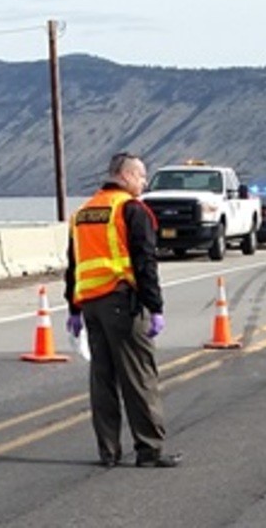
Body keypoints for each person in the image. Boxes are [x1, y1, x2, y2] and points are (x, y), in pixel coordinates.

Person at [64, 152, 181, 469]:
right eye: (142, 177)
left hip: (91, 305)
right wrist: (155, 307)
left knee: (102, 379)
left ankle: (108, 451)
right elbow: (145, 262)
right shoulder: (131, 209)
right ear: (127, 175)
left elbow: (74, 264)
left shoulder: (84, 212)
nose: (144, 183)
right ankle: (149, 450)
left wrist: (73, 307)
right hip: (122, 302)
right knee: (138, 376)